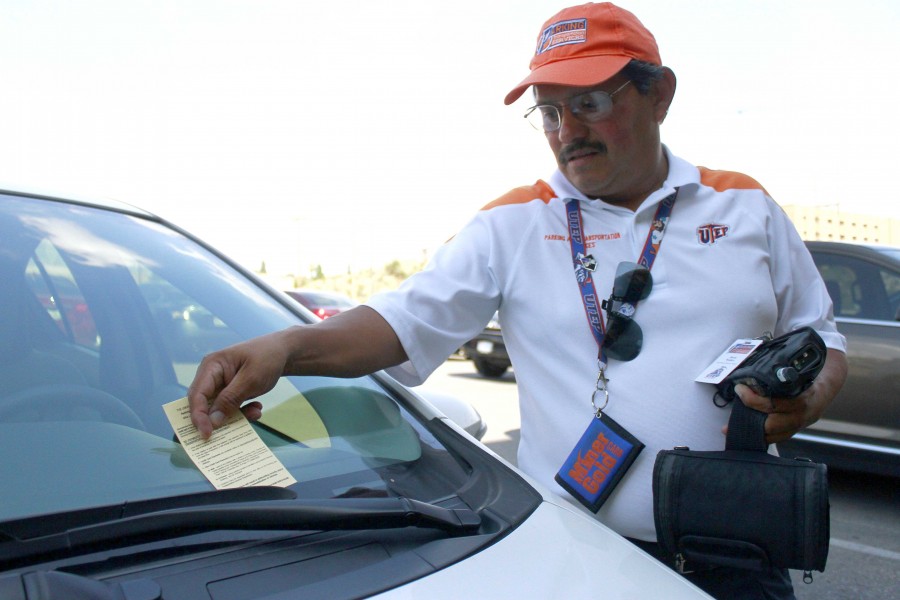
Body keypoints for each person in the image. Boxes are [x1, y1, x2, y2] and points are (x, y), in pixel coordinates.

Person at [188, 3, 848, 598]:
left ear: (660, 94)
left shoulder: (746, 206)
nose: (568, 132)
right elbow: (400, 322)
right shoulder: (514, 223)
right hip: (576, 553)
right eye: (551, 112)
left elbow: (823, 338)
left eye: (590, 102)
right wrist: (282, 347)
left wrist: (807, 399)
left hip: (738, 556)